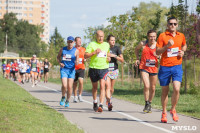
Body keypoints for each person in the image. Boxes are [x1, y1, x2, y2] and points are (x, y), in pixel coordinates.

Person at [156, 17, 187, 123]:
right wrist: (166, 46)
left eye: (175, 24)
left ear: (177, 25)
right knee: (165, 91)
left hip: (177, 66)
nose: (173, 25)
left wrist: (183, 51)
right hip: (165, 67)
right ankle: (164, 112)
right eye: (171, 24)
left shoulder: (181, 35)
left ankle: (173, 109)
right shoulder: (162, 36)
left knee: (177, 88)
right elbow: (157, 51)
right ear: (167, 25)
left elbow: (184, 45)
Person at [84, 30, 112, 112]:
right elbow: (85, 55)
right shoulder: (92, 44)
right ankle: (95, 102)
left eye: (102, 36)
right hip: (94, 68)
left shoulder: (106, 45)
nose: (101, 38)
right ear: (96, 36)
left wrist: (109, 58)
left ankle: (101, 105)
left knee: (102, 86)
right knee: (95, 87)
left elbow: (108, 53)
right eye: (99, 36)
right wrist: (94, 52)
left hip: (104, 68)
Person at [135, 30, 159, 113]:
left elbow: (163, 55)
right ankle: (146, 102)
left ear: (156, 37)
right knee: (147, 85)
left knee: (153, 87)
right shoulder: (143, 44)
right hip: (144, 67)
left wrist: (159, 57)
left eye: (154, 36)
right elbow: (136, 49)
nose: (152, 38)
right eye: (150, 36)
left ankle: (149, 103)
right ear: (148, 37)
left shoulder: (158, 45)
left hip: (154, 68)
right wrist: (137, 59)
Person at [57, 36, 79, 107]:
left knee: (70, 87)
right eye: (69, 42)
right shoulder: (63, 49)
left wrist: (76, 62)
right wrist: (60, 63)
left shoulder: (76, 50)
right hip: (64, 69)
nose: (70, 43)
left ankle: (67, 100)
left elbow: (77, 60)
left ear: (74, 42)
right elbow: (58, 57)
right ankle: (63, 97)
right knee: (64, 85)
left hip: (71, 70)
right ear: (67, 42)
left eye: (71, 42)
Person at [105, 35, 124, 110]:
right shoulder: (105, 48)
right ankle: (109, 102)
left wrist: (114, 56)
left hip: (114, 70)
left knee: (111, 89)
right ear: (108, 41)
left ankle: (109, 97)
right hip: (106, 70)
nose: (113, 41)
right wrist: (107, 58)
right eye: (112, 40)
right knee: (108, 87)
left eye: (114, 40)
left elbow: (122, 60)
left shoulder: (117, 48)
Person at [73, 37, 86, 103]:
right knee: (75, 83)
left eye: (81, 41)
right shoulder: (73, 49)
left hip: (81, 68)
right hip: (74, 68)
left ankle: (80, 95)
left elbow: (86, 56)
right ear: (75, 42)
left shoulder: (83, 49)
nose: (80, 42)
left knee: (81, 81)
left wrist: (85, 59)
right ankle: (75, 97)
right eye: (78, 41)